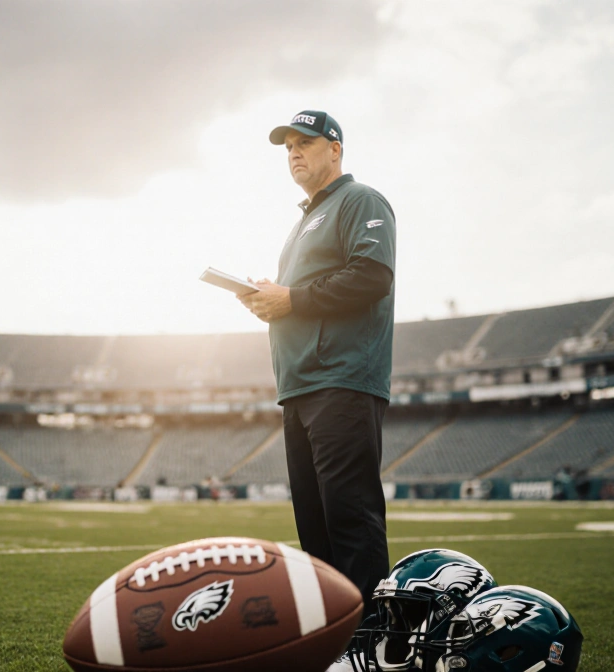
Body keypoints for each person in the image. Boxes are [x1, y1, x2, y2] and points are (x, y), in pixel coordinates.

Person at [240, 110, 396, 619]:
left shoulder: (360, 200)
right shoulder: (302, 222)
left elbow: (372, 276)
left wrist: (293, 299)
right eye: (287, 147)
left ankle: (370, 644)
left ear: (336, 148)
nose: (294, 153)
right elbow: (297, 299)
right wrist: (269, 299)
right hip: (299, 386)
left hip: (341, 380)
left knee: (350, 520)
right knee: (315, 526)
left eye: (304, 143)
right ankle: (333, 638)